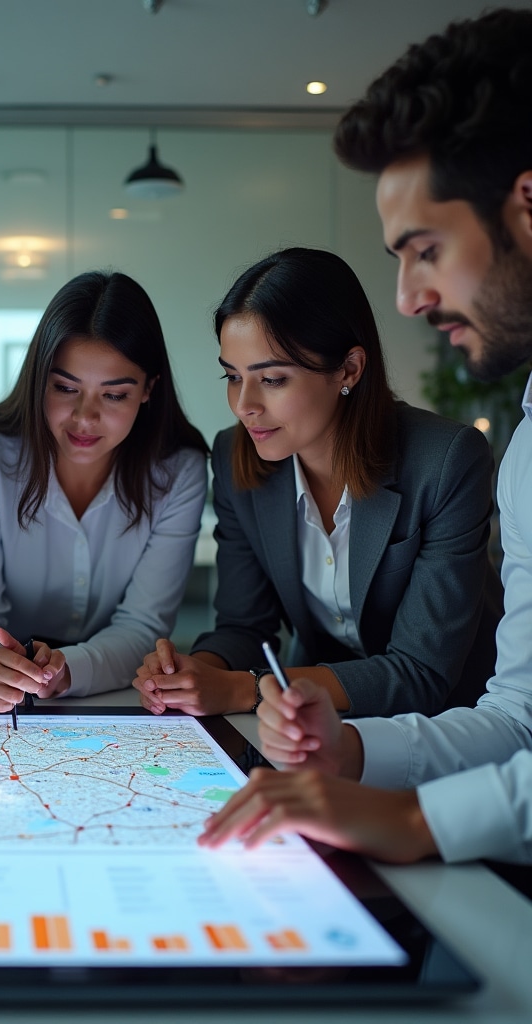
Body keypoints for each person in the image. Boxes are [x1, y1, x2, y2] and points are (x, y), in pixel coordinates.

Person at [199, 8, 532, 865]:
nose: (408, 300)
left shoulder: (454, 458)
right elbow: (518, 717)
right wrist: (343, 750)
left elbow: (437, 677)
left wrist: (417, 824)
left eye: (424, 249)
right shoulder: (528, 448)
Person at [134, 247, 501, 719]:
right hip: (311, 717)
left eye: (272, 380)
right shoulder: (235, 457)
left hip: (451, 725)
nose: (244, 405)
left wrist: (248, 689)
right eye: (231, 377)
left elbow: (421, 673)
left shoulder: (446, 460)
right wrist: (191, 673)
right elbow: (246, 627)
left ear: (348, 369)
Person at [0, 270, 208, 709]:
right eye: (65, 388)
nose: (84, 419)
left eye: (114, 395)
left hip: (114, 691)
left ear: (148, 390)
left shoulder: (178, 470)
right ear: (38, 378)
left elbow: (143, 624)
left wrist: (68, 670)